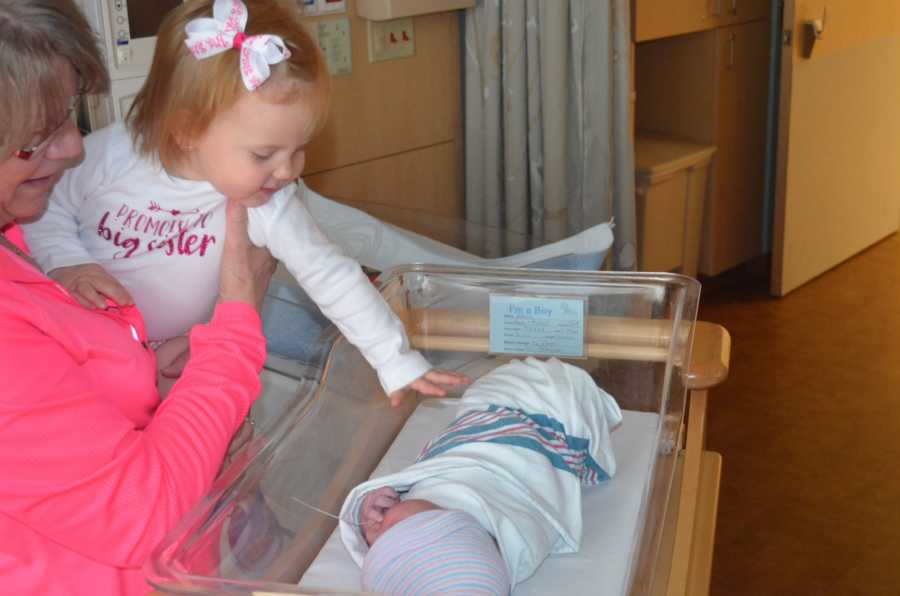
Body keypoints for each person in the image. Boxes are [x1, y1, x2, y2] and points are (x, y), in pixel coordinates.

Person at [20, 0, 466, 402]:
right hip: (86, 345)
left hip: (178, 351)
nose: (289, 171)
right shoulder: (113, 154)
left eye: (299, 148)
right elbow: (48, 209)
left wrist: (395, 359)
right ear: (188, 130)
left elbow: (331, 275)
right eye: (264, 154)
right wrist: (67, 262)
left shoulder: (267, 201)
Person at [0, 0, 279, 593]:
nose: (74, 148)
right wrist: (234, 325)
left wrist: (150, 375)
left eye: (72, 117)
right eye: (36, 139)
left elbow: (53, 403)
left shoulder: (17, 232)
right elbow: (141, 515)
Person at [338, 357, 624, 595]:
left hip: (483, 428)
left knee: (488, 394)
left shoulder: (438, 536)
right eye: (392, 526)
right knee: (544, 395)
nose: (378, 526)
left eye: (374, 541)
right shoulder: (491, 517)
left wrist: (367, 509)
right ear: (447, 519)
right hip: (520, 427)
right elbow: (484, 471)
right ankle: (582, 398)